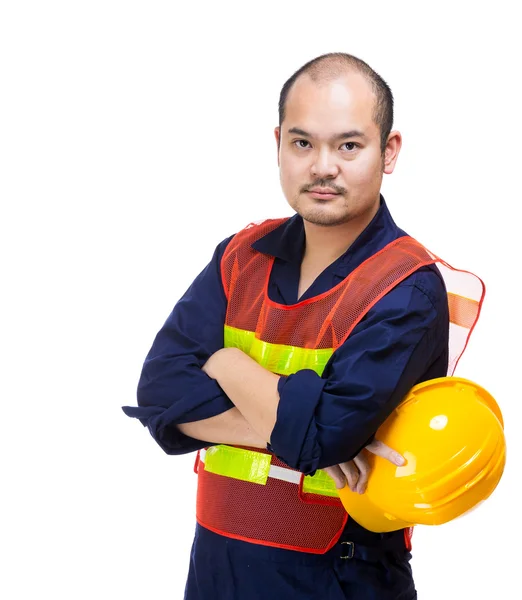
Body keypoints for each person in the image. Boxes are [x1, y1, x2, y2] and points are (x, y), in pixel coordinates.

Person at [123, 52, 476, 599]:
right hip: (217, 570)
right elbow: (159, 391)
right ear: (279, 145)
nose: (323, 167)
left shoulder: (404, 287)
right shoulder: (242, 256)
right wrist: (290, 428)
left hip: (338, 579)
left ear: (390, 152)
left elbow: (323, 436)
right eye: (303, 142)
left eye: (349, 145)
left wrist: (223, 362)